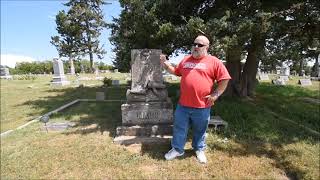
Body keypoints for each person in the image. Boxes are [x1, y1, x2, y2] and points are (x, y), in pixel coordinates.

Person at [160, 35, 231, 163]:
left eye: (200, 45)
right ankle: (177, 149)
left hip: (202, 106)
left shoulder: (214, 61)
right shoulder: (186, 59)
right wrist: (165, 65)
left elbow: (224, 79)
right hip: (183, 105)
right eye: (194, 44)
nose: (196, 47)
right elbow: (176, 71)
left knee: (200, 129)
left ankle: (199, 149)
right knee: (179, 128)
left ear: (207, 47)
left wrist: (215, 95)